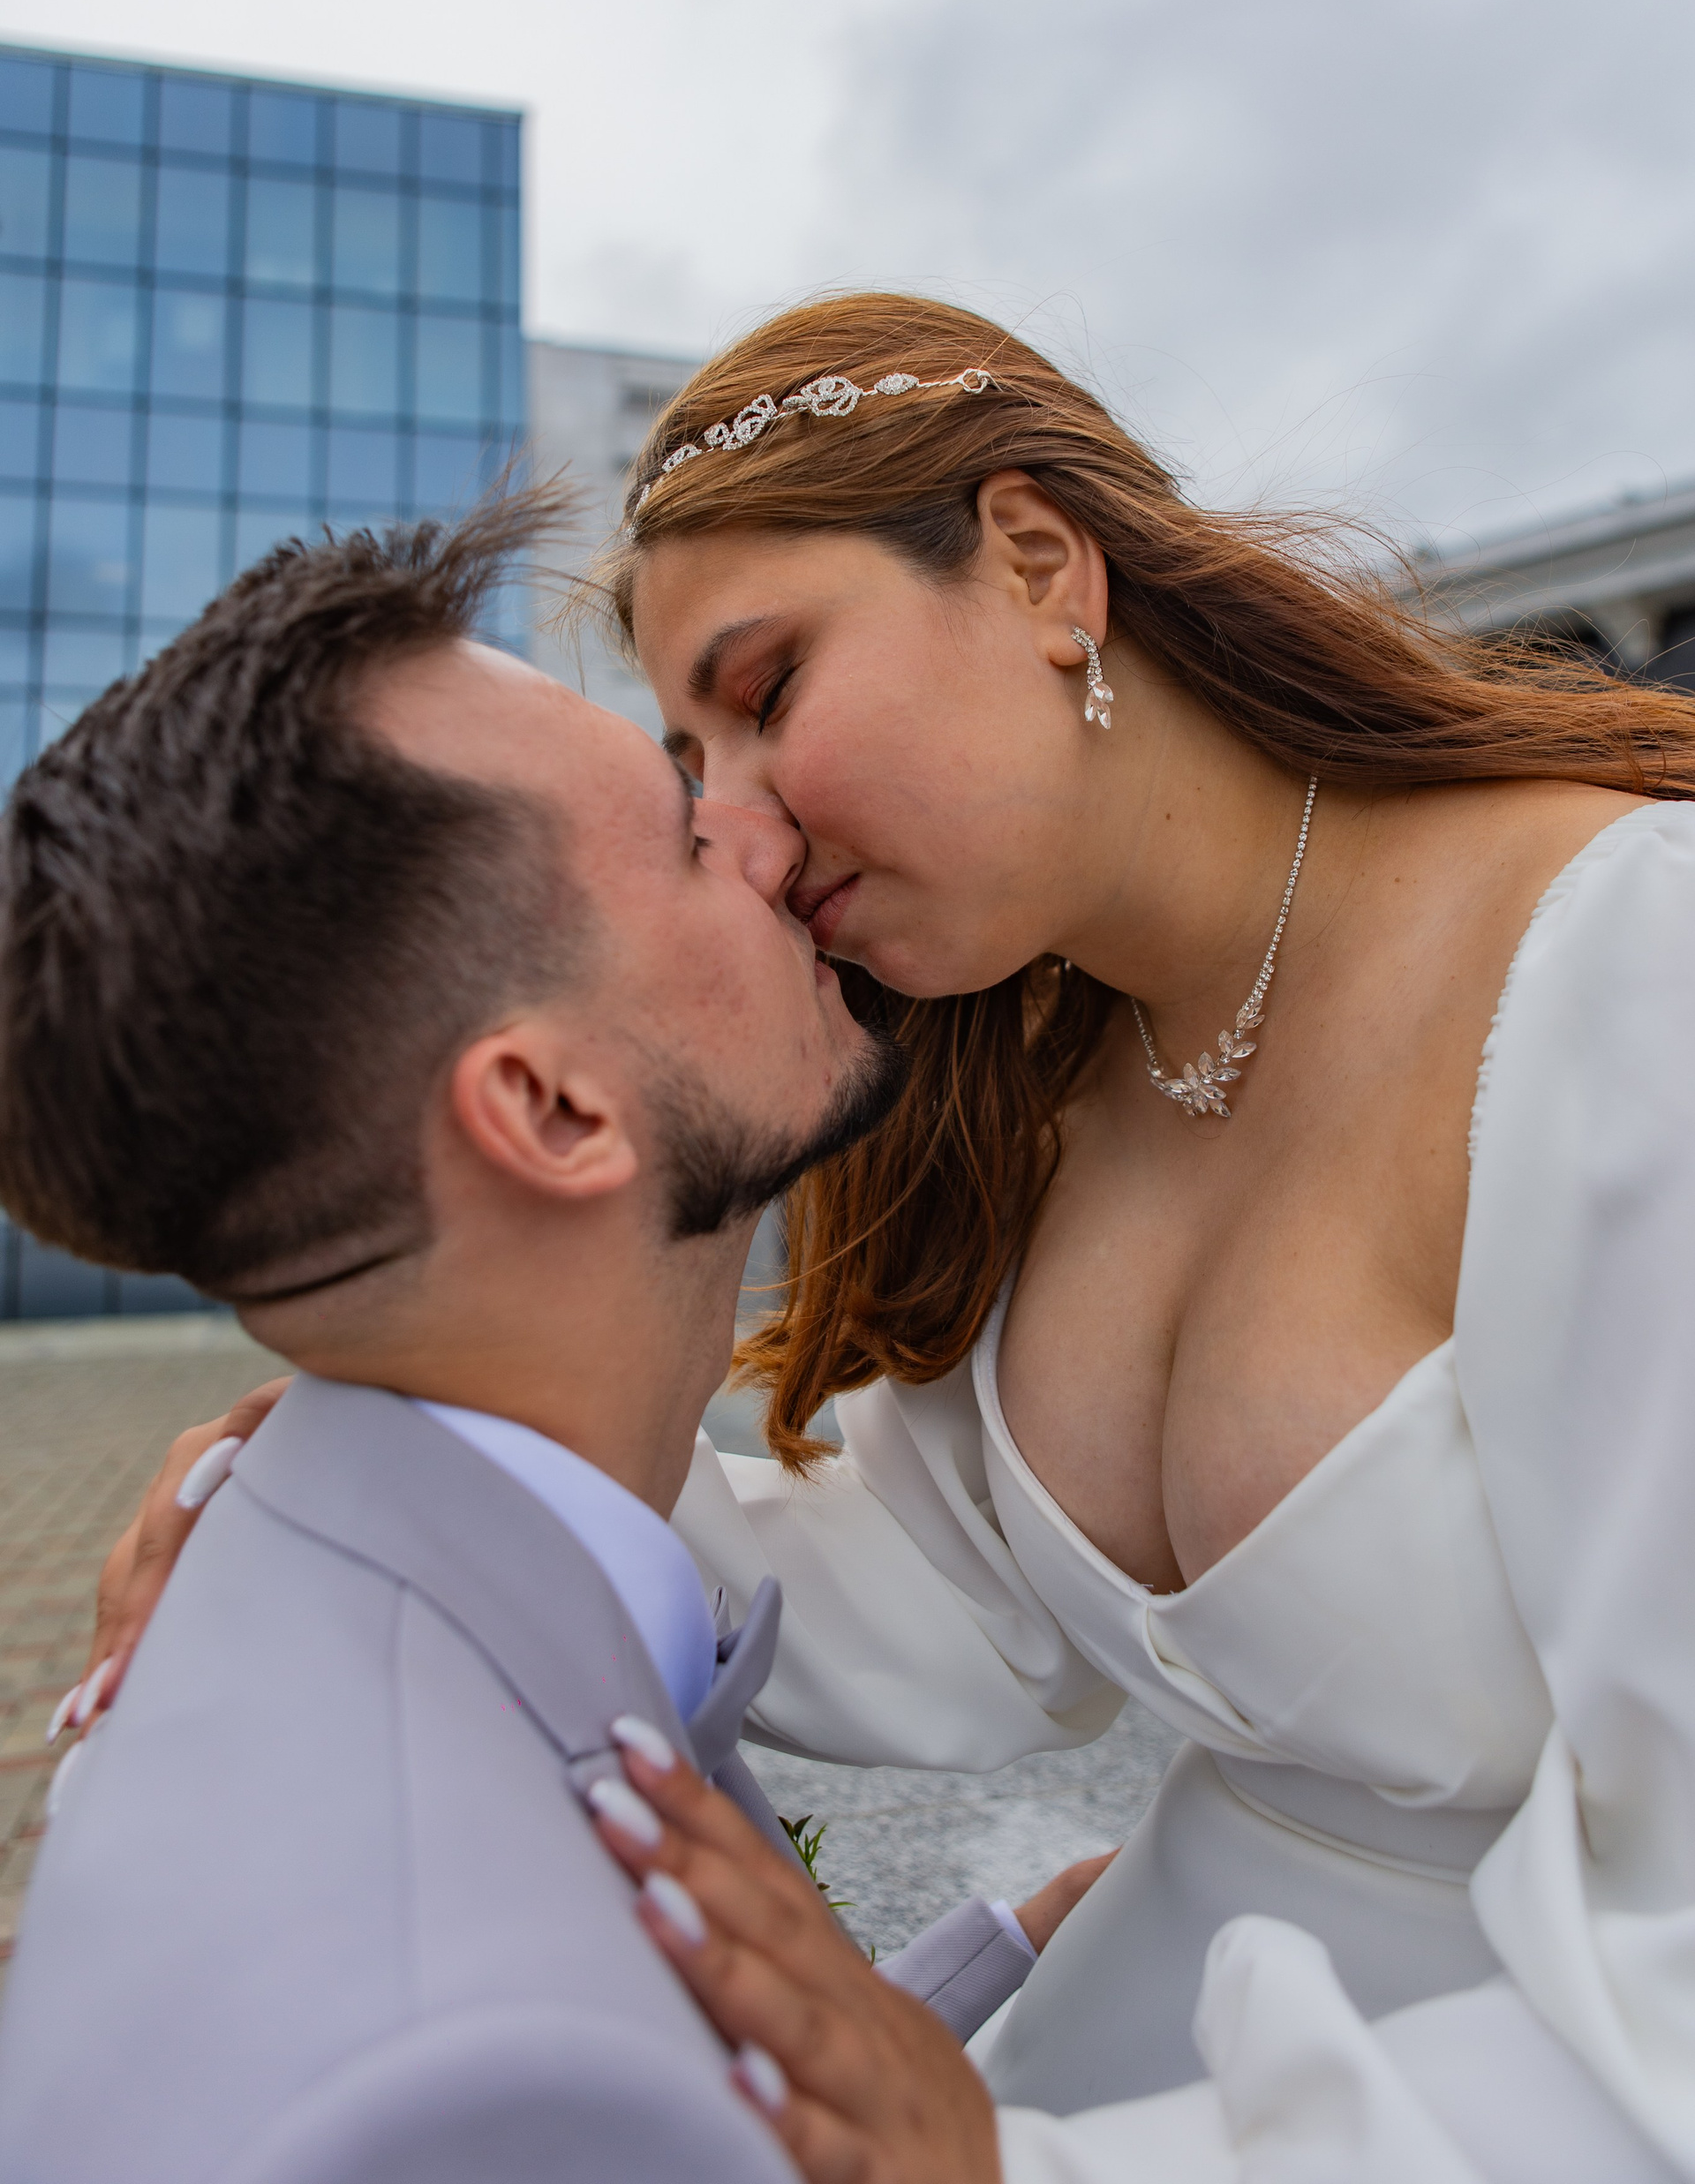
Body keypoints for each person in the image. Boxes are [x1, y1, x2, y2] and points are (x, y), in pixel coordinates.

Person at [77, 290, 1695, 2180]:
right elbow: (956, 1601)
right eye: (690, 769)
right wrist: (394, 1480)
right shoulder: (1026, 1058)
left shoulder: (1628, 969)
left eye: (766, 697)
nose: (747, 837)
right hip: (1096, 2047)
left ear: (1037, 566)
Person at [0, 496, 1101, 2184]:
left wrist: (1020, 1960)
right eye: (682, 833)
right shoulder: (467, 2079)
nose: (765, 841)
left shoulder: (322, 1539)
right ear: (551, 1110)